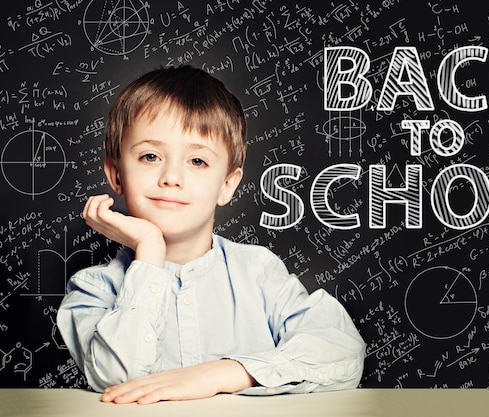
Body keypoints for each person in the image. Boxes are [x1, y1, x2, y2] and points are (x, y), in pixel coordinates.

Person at [56, 65, 366, 404]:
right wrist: (149, 249)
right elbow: (115, 377)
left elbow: (343, 351)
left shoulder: (258, 272)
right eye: (150, 156)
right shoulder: (93, 289)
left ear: (227, 185)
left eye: (198, 162)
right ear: (116, 174)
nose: (171, 177)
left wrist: (224, 373)